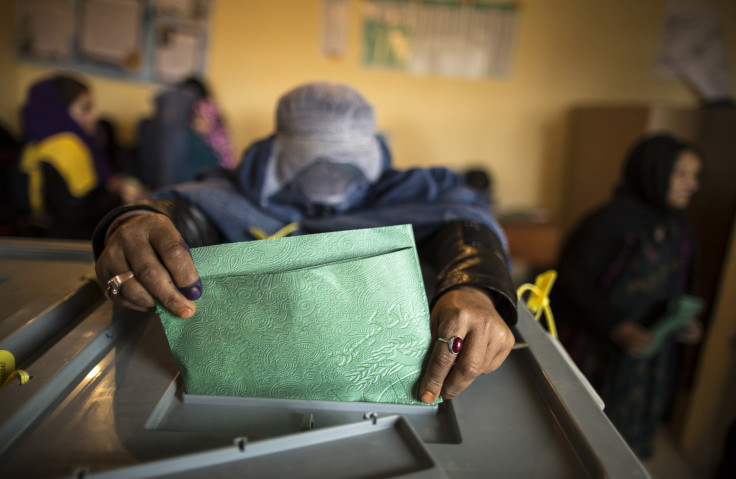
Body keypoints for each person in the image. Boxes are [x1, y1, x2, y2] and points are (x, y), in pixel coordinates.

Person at [93, 82, 517, 403]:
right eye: (310, 161)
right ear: (276, 153)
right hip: (244, 385)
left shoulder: (413, 192)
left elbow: (463, 223)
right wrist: (134, 224)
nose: (329, 178)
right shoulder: (233, 193)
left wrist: (474, 285)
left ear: (372, 152)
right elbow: (185, 211)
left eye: (345, 163)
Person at [552, 133, 703, 459]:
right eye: (682, 174)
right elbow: (572, 282)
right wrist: (617, 325)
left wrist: (685, 321)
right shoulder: (610, 223)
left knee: (630, 441)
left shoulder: (680, 227)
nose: (692, 184)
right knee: (585, 437)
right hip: (599, 351)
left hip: (650, 355)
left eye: (695, 176)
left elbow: (682, 283)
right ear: (654, 171)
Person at [17, 74, 144, 239]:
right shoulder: (68, 146)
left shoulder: (34, 145)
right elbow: (81, 210)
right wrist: (120, 197)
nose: (93, 116)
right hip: (71, 244)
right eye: (85, 108)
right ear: (57, 110)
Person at [136, 77, 234, 189]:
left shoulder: (213, 138)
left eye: (205, 118)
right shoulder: (186, 135)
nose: (199, 122)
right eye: (197, 118)